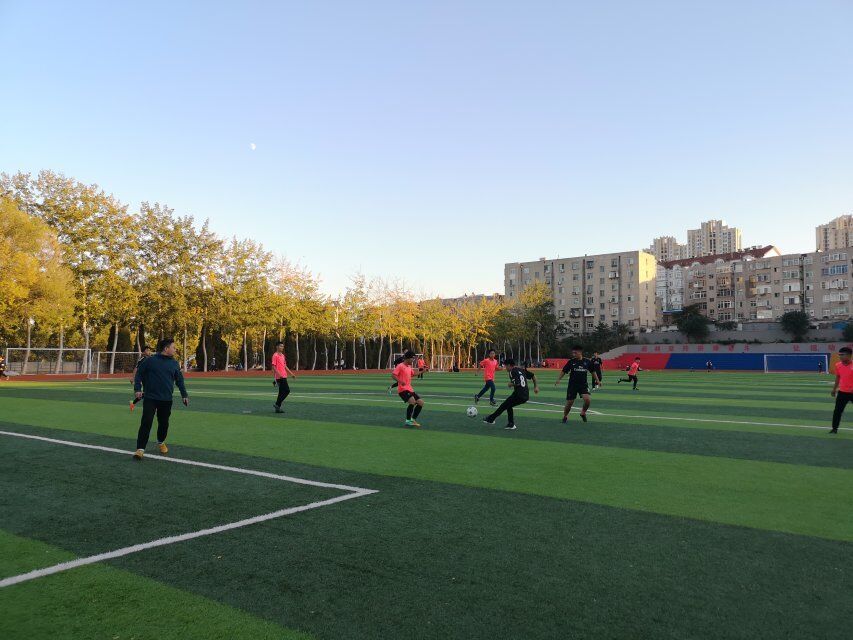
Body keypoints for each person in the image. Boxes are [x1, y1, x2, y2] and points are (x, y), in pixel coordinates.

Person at [132, 338, 189, 460]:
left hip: (166, 399)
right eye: (173, 347)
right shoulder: (150, 361)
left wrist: (184, 395)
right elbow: (139, 374)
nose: (175, 349)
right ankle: (140, 449)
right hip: (150, 398)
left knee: (164, 423)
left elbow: (179, 380)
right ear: (166, 348)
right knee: (146, 422)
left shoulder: (174, 364)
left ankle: (161, 441)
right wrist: (137, 389)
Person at [483, 359, 538, 430]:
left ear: (509, 365)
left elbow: (517, 383)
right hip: (525, 395)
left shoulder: (512, 371)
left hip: (519, 394)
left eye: (505, 366)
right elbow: (533, 376)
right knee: (508, 405)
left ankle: (491, 419)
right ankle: (508, 423)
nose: (505, 368)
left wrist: (510, 384)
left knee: (504, 406)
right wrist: (536, 387)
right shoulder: (521, 370)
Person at [555, 345, 599, 423]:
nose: (573, 354)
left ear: (580, 352)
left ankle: (583, 413)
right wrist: (558, 379)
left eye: (575, 353)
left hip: (583, 385)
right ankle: (565, 416)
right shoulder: (571, 362)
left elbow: (593, 371)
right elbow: (564, 371)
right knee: (569, 403)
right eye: (573, 353)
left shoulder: (587, 361)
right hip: (572, 385)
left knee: (587, 400)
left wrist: (597, 380)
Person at [392, 350, 425, 427]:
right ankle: (408, 421)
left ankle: (412, 420)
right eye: (412, 358)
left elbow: (413, 374)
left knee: (421, 402)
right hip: (402, 390)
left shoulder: (409, 367)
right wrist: (400, 381)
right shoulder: (400, 366)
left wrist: (423, 371)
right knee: (412, 401)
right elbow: (393, 375)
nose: (413, 360)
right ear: (408, 358)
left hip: (410, 389)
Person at [830, 347, 853, 434]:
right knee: (837, 411)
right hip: (842, 392)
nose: (840, 356)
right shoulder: (838, 365)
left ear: (849, 355)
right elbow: (838, 377)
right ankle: (834, 429)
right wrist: (834, 389)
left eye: (842, 355)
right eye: (839, 355)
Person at [272, 341, 297, 413]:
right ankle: (277, 404)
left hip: (284, 375)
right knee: (287, 391)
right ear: (277, 347)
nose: (282, 347)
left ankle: (277, 408)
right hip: (280, 377)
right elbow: (273, 366)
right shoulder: (275, 355)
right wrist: (279, 374)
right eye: (280, 346)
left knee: (281, 392)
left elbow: (285, 366)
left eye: (282, 346)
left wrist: (291, 374)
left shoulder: (282, 355)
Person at [129, 346, 153, 411]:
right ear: (143, 352)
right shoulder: (142, 359)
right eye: (147, 350)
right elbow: (136, 368)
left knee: (146, 393)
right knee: (149, 393)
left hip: (151, 378)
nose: (149, 351)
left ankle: (133, 403)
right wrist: (133, 377)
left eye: (149, 350)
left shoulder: (151, 358)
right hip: (145, 378)